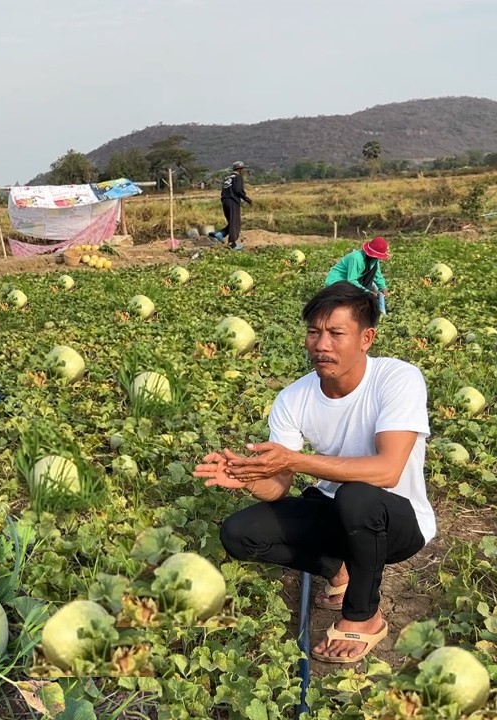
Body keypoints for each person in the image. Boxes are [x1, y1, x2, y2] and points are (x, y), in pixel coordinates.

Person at [195, 282, 434, 665]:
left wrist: (295, 460)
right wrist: (250, 478)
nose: (322, 345)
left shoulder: (397, 379)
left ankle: (364, 616)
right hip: (338, 512)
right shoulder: (293, 398)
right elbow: (278, 487)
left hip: (397, 523)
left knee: (357, 495)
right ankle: (339, 570)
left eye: (336, 333)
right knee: (239, 533)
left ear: (366, 338)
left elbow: (388, 470)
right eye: (314, 332)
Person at [325, 235, 389, 315]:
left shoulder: (374, 260)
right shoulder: (356, 258)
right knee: (348, 304)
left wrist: (383, 288)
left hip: (356, 281)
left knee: (372, 292)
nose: (376, 258)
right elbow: (351, 280)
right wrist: (368, 292)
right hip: (338, 281)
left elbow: (377, 275)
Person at [210, 161, 252, 250]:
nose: (244, 171)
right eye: (243, 169)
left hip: (225, 200)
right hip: (232, 201)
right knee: (235, 223)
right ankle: (232, 244)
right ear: (240, 169)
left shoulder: (227, 177)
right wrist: (247, 199)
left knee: (232, 222)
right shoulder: (238, 177)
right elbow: (238, 190)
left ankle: (221, 233)